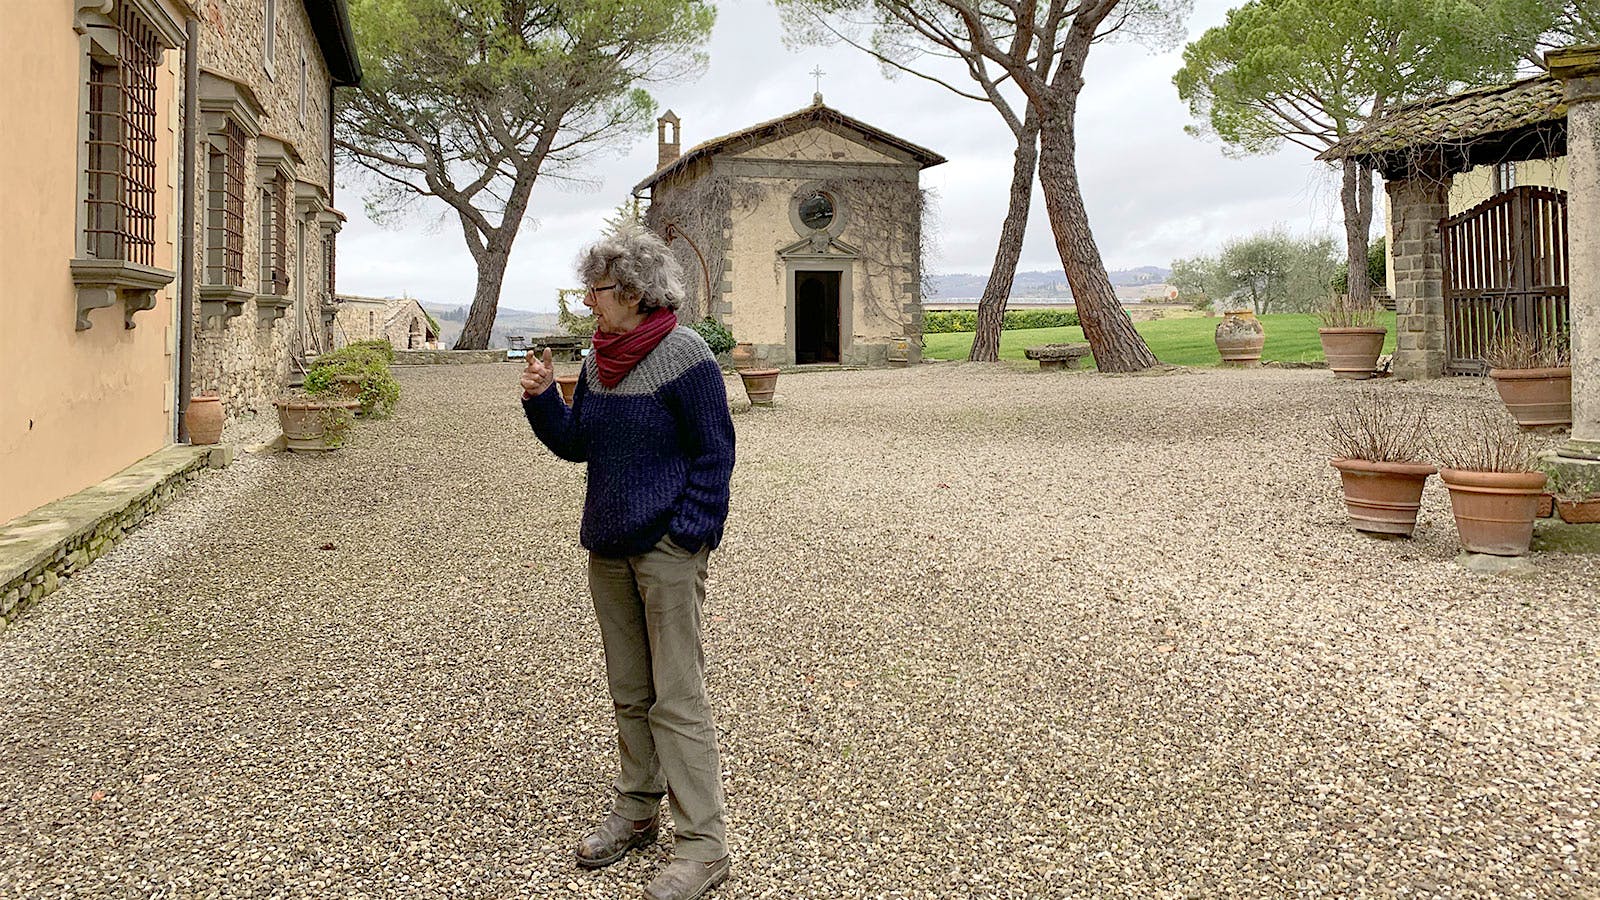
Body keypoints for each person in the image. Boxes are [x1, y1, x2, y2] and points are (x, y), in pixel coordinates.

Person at [520, 224, 736, 900]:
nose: (588, 301)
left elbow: (716, 452)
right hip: (608, 547)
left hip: (667, 551)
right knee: (630, 691)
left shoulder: (686, 355)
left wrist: (689, 534)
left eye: (599, 290)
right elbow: (579, 444)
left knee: (678, 698)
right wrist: (541, 401)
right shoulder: (598, 361)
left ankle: (703, 846)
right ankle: (638, 809)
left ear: (637, 293)